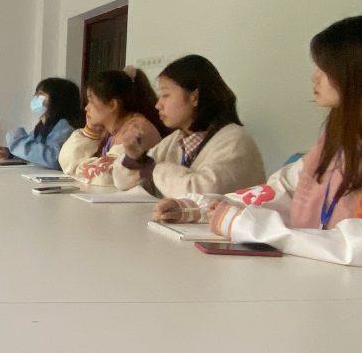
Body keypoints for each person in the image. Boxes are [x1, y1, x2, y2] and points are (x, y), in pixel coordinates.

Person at [154, 16, 362, 266]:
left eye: (325, 68)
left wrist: (258, 228)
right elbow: (283, 188)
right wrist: (199, 207)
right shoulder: (335, 142)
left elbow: (354, 245)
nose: (314, 77)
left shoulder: (233, 138)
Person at [113, 55, 265, 197]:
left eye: (165, 95)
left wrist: (153, 169)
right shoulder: (175, 140)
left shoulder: (235, 141)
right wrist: (133, 157)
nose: (158, 105)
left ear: (194, 98)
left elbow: (203, 193)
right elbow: (123, 183)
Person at [59, 67, 165, 186]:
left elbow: (109, 176)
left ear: (112, 105)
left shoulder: (136, 129)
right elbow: (66, 160)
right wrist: (90, 132)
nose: (86, 108)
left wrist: (77, 167)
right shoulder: (106, 130)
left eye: (91, 102)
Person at [0, 78, 83, 170]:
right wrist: (9, 154)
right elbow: (34, 153)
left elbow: (53, 159)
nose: (35, 98)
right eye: (35, 94)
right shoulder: (42, 127)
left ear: (57, 100)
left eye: (40, 95)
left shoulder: (64, 127)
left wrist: (18, 141)